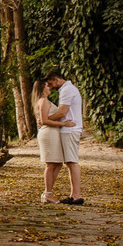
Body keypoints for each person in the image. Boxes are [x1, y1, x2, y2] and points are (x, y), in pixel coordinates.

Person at [31, 78, 75, 203]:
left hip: (53, 133)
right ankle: (47, 193)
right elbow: (44, 121)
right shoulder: (43, 101)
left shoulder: (44, 101)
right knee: (51, 164)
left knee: (57, 163)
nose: (49, 87)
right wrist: (64, 124)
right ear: (41, 88)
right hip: (49, 133)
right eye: (46, 85)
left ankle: (47, 192)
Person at [47, 70, 84, 205]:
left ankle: (77, 195)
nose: (51, 87)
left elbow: (62, 111)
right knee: (70, 162)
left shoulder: (67, 90)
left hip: (70, 129)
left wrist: (46, 119)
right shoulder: (68, 89)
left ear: (57, 79)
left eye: (51, 84)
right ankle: (73, 194)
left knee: (72, 161)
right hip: (68, 129)